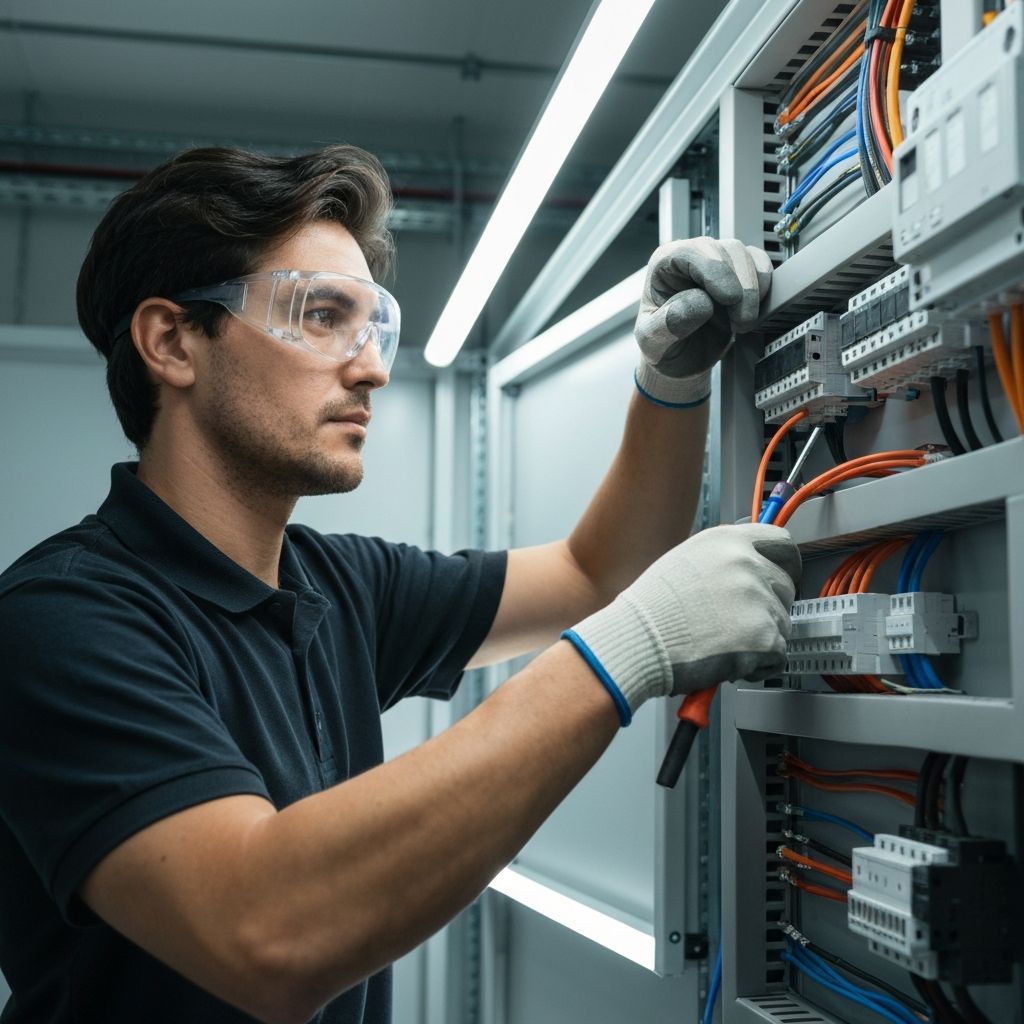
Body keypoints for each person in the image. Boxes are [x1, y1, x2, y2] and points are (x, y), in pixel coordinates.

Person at [0, 145, 799, 1024]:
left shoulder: (337, 585)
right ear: (172, 341)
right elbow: (266, 932)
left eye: (370, 324)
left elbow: (595, 574)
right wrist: (622, 655)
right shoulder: (61, 622)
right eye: (318, 315)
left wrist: (671, 383)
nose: (371, 367)